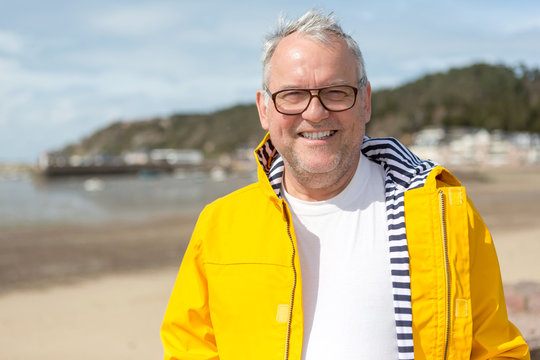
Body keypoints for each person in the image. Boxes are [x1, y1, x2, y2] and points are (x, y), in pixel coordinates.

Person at [161, 9, 530, 360]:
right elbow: (187, 349)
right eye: (292, 95)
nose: (315, 112)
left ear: (365, 101)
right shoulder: (220, 226)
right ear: (264, 109)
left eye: (336, 91)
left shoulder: (443, 215)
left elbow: (496, 350)